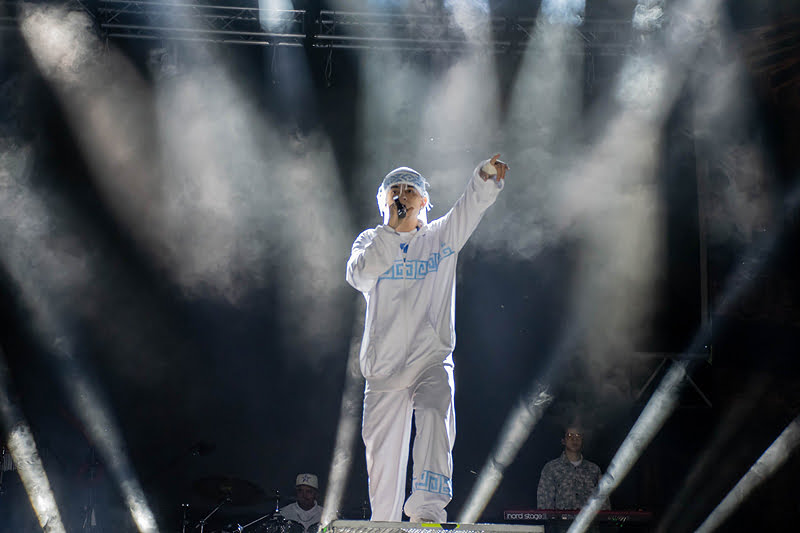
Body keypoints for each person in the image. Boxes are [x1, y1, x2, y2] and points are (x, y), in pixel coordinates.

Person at [346, 154, 509, 522]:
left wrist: (484, 180)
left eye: (410, 190)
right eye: (395, 190)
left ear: (423, 201)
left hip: (429, 359)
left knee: (435, 409)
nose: (402, 194)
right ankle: (385, 526)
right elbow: (359, 277)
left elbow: (468, 210)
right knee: (383, 470)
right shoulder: (371, 240)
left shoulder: (439, 238)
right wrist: (391, 231)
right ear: (384, 201)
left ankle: (428, 512)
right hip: (383, 371)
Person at [536, 426, 611, 510]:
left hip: (588, 518)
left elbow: (603, 502)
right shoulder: (551, 468)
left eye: (578, 435)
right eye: (569, 435)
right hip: (560, 518)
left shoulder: (594, 469)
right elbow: (544, 503)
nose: (574, 439)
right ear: (563, 441)